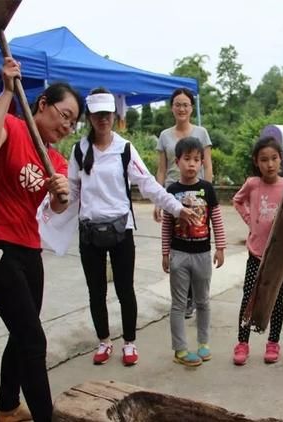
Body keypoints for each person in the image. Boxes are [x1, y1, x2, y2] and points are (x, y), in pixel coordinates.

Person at [0, 58, 82, 422]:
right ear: (43, 104)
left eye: (72, 122)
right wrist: (5, 91)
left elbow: (57, 205)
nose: (67, 125)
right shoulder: (13, 129)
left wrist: (61, 192)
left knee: (22, 332)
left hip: (29, 249)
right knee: (33, 341)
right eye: (63, 114)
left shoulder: (55, 161)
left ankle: (7, 409)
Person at [69, 88, 198, 367]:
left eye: (107, 114)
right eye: (97, 115)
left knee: (125, 289)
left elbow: (149, 184)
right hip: (89, 232)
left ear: (114, 116)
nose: (103, 119)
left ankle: (129, 342)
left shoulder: (124, 148)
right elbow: (71, 190)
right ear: (90, 117)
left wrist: (176, 208)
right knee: (96, 291)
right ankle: (104, 341)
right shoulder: (79, 150)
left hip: (121, 231)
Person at [161, 137, 226, 366]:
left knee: (203, 301)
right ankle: (180, 349)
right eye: (186, 159)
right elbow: (167, 225)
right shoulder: (171, 190)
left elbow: (216, 220)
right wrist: (165, 254)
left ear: (201, 162)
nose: (191, 164)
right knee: (178, 304)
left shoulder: (206, 189)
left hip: (202, 254)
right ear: (177, 161)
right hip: (179, 255)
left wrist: (221, 247)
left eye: (196, 159)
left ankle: (203, 343)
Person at [155, 88, 214, 318]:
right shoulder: (164, 136)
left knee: (196, 240)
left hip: (197, 195)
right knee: (175, 242)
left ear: (191, 108)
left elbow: (207, 165)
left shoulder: (201, 133)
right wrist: (159, 200)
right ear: (172, 107)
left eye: (186, 104)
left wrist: (206, 193)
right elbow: (161, 169)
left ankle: (195, 296)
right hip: (172, 195)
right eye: (177, 104)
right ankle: (182, 296)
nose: (181, 108)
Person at [232, 136, 283, 365]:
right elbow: (237, 200)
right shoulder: (253, 184)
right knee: (249, 298)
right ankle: (242, 343)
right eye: (264, 160)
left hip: (278, 256)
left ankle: (273, 343)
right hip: (255, 252)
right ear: (256, 162)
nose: (270, 164)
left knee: (276, 300)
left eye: (274, 158)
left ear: (281, 159)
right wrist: (251, 220)